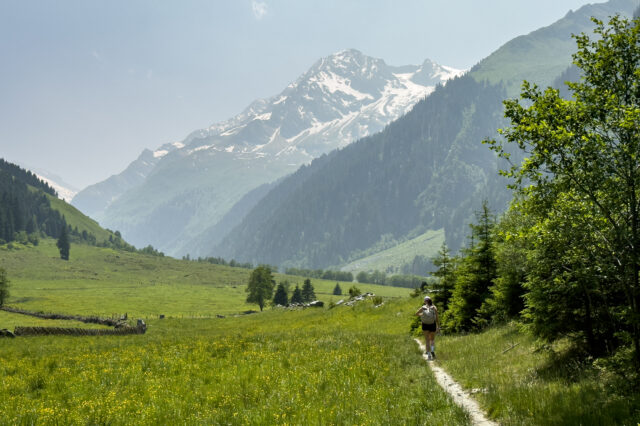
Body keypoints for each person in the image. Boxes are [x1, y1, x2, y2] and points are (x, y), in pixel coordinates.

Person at [416, 296, 439, 360]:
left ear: (425, 301)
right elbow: (437, 318)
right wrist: (438, 326)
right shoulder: (434, 307)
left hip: (425, 325)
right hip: (432, 325)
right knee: (432, 340)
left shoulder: (423, 308)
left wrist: (422, 315)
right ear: (430, 300)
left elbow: (416, 314)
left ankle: (429, 355)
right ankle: (432, 351)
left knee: (427, 340)